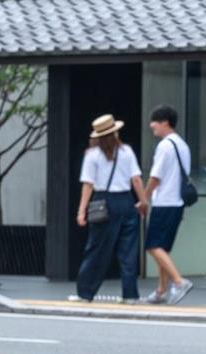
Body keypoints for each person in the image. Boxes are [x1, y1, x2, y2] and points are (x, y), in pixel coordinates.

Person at [73, 114, 146, 303]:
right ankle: (130, 294)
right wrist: (143, 201)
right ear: (115, 133)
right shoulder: (126, 151)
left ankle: (85, 292)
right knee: (128, 251)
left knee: (97, 248)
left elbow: (88, 184)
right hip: (126, 201)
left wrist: (81, 211)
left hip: (103, 202)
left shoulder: (92, 155)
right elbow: (136, 179)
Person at [141, 105, 194, 305]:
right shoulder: (182, 145)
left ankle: (179, 282)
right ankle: (161, 290)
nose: (151, 125)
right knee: (163, 247)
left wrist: (144, 197)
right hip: (177, 203)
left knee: (153, 245)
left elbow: (155, 177)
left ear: (165, 122)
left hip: (164, 202)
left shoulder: (165, 146)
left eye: (154, 121)